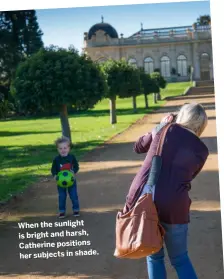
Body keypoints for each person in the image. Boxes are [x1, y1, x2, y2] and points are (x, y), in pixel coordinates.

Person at [125, 103, 209, 279]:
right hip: (175, 204)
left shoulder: (165, 129)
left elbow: (138, 146)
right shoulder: (202, 150)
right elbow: (189, 176)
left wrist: (160, 125)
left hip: (146, 200)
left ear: (182, 116)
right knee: (180, 259)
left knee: (154, 256)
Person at [51, 136, 80, 219]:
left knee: (74, 196)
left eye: (65, 148)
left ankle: (76, 209)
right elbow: (53, 169)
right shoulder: (56, 160)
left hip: (71, 181)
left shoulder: (71, 157)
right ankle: (62, 211)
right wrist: (55, 175)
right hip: (60, 182)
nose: (63, 150)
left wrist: (73, 171)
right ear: (57, 149)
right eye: (60, 148)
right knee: (62, 197)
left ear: (69, 148)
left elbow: (76, 166)